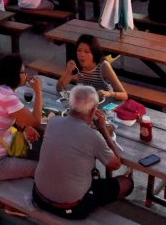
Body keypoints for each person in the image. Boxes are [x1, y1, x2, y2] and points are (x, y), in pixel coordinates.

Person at [33, 85, 133, 219]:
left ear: (71, 105)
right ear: (93, 112)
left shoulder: (53, 122)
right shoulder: (93, 136)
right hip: (72, 208)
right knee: (127, 183)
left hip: (39, 197)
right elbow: (115, 164)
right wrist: (103, 129)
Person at [0, 55, 43, 180]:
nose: (26, 75)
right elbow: (36, 120)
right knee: (39, 168)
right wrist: (38, 92)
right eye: (23, 72)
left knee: (32, 148)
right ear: (13, 75)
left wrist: (24, 127)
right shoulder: (8, 97)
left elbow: (4, 115)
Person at [57, 34, 128, 102]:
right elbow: (60, 88)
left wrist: (109, 94)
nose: (82, 55)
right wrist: (68, 71)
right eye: (79, 50)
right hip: (83, 103)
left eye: (86, 52)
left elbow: (124, 95)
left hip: (102, 104)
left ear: (94, 53)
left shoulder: (103, 66)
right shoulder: (76, 64)